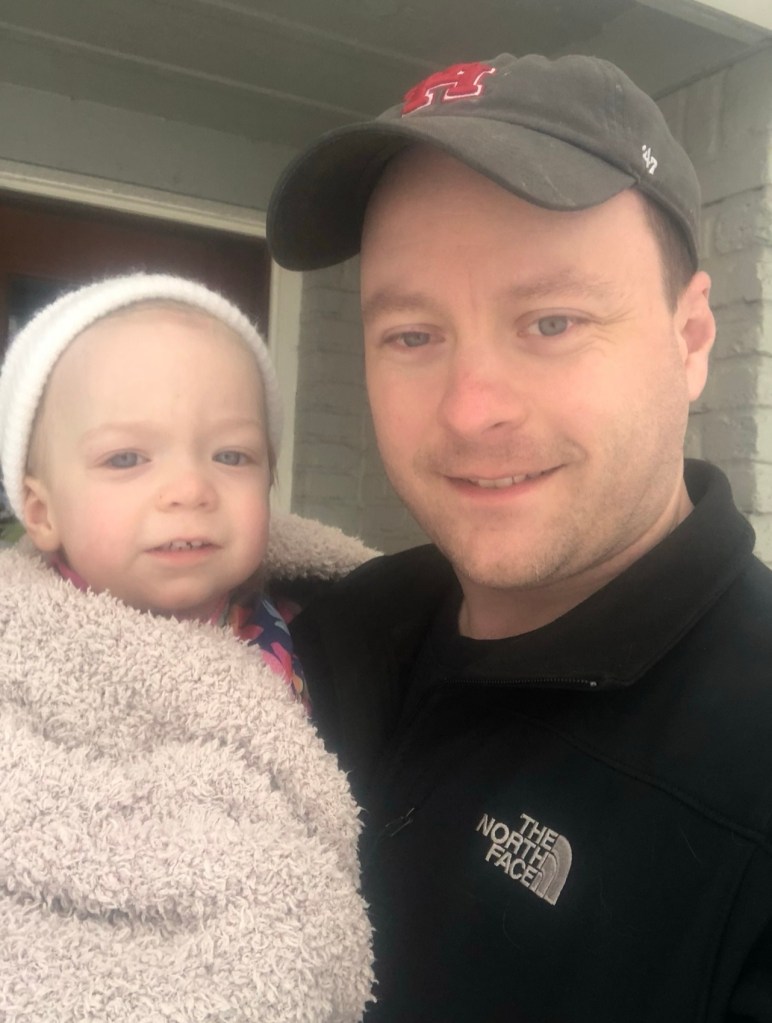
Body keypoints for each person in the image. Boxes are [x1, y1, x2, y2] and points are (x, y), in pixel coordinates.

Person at [266, 53, 772, 1022]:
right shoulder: (330, 632)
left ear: (691, 338)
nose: (471, 409)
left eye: (551, 321)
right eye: (412, 336)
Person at [0, 274, 374, 1022]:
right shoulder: (28, 648)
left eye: (231, 456)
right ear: (41, 511)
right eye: (126, 459)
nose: (190, 489)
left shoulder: (312, 625)